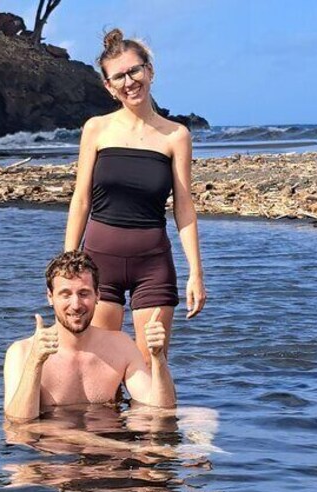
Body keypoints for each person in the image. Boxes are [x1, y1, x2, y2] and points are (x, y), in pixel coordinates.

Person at [64, 28, 206, 365]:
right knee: (100, 371)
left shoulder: (176, 135)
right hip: (98, 265)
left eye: (134, 71)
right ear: (109, 87)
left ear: (149, 71)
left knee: (151, 365)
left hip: (153, 266)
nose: (129, 81)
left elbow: (183, 208)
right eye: (119, 77)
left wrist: (196, 273)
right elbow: (80, 199)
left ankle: (159, 421)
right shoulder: (96, 129)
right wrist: (68, 266)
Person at [3, 251, 176, 422]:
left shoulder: (120, 346)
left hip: (111, 444)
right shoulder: (22, 352)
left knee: (199, 418)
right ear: (50, 297)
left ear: (97, 295)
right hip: (54, 446)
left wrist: (158, 358)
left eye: (84, 293)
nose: (76, 305)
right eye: (66, 294)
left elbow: (162, 410)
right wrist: (35, 362)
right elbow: (18, 425)